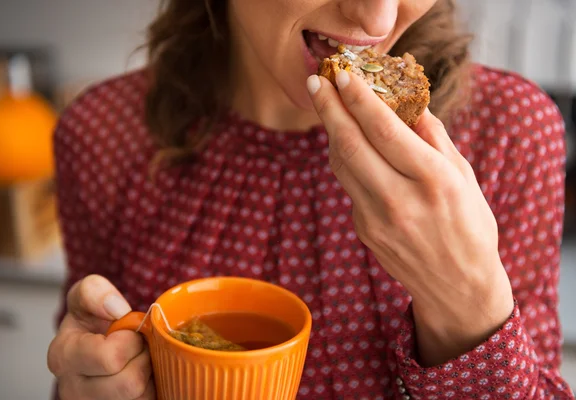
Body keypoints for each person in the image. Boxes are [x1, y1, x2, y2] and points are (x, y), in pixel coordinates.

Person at [46, 0, 575, 399]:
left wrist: (468, 310)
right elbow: (87, 360)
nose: (377, 19)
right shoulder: (103, 135)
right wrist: (90, 380)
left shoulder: (511, 133)